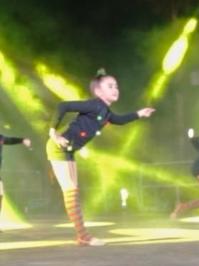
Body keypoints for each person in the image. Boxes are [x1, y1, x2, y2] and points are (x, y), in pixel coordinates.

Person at [47, 68, 154, 245]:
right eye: (110, 86)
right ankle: (83, 236)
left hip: (69, 150)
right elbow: (63, 106)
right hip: (58, 147)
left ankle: (82, 236)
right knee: (70, 191)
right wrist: (53, 133)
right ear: (98, 91)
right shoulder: (95, 105)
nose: (115, 89)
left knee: (73, 191)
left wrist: (139, 114)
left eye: (116, 86)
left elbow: (119, 120)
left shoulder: (106, 112)